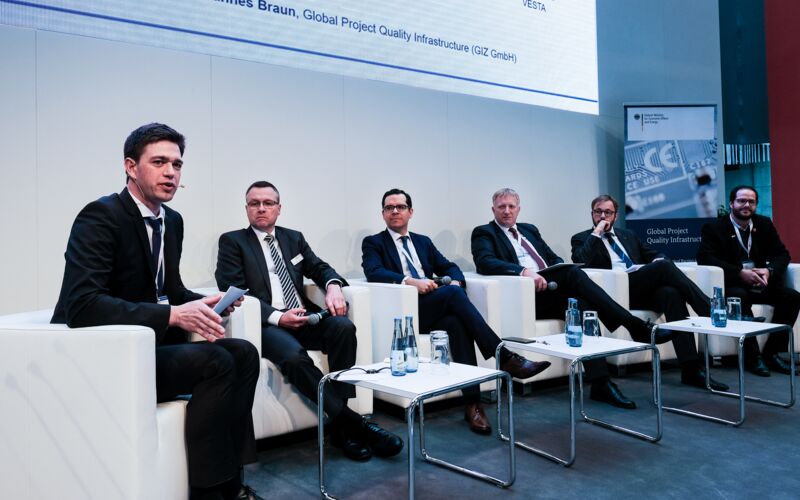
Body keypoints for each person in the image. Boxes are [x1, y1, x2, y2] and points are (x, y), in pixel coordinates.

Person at [51, 123, 262, 500]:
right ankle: (210, 492)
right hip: (106, 354)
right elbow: (81, 304)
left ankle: (230, 477)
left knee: (244, 353)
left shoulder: (171, 221)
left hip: (150, 347)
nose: (170, 173)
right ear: (131, 167)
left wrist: (206, 302)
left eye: (177, 165)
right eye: (159, 162)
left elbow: (171, 290)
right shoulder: (101, 216)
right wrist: (173, 316)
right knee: (217, 361)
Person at [216, 181, 402, 462]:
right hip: (267, 323)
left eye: (268, 203)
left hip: (304, 316)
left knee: (343, 328)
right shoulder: (233, 242)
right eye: (255, 203)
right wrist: (278, 317)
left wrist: (333, 285)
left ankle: (341, 427)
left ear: (279, 208)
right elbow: (233, 288)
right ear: (247, 209)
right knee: (294, 358)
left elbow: (319, 267)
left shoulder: (293, 238)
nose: (261, 208)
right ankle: (353, 425)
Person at [362, 188, 551, 434]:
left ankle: (473, 404)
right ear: (383, 214)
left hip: (433, 304)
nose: (395, 211)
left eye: (400, 207)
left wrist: (456, 280)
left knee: (457, 323)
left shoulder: (422, 241)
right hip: (405, 311)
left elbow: (449, 266)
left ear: (411, 212)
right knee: (453, 295)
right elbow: (374, 271)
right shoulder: (374, 242)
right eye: (389, 207)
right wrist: (411, 282)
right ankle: (504, 356)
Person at [471, 188, 675, 410]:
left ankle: (601, 383)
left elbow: (552, 257)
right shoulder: (484, 233)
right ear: (493, 210)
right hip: (526, 295)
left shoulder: (529, 230)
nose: (507, 211)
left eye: (511, 206)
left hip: (551, 290)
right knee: (573, 273)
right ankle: (633, 324)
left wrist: (559, 266)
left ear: (518, 209)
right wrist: (524, 271)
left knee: (582, 308)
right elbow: (485, 262)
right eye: (502, 207)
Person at [571, 194, 728, 391]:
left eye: (608, 212)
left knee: (671, 293)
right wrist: (597, 233)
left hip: (640, 287)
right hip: (614, 293)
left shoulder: (628, 235)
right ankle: (711, 310)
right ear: (592, 214)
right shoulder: (582, 238)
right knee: (663, 267)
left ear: (616, 215)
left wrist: (656, 260)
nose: (603, 216)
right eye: (598, 212)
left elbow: (655, 254)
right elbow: (581, 261)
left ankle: (691, 369)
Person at [697, 185, 799, 376]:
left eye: (751, 202)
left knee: (792, 297)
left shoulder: (764, 224)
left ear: (756, 205)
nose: (746, 205)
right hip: (733, 284)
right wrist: (739, 273)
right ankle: (753, 357)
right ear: (731, 204)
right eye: (741, 201)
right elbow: (705, 258)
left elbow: (782, 254)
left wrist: (769, 270)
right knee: (739, 297)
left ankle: (773, 353)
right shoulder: (714, 228)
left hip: (760, 283)